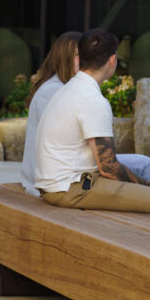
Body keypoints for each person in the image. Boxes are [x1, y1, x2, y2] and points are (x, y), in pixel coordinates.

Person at [22, 31, 150, 196]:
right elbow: (107, 166)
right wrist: (142, 185)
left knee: (141, 163)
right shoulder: (72, 93)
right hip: (65, 181)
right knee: (142, 170)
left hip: (64, 175)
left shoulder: (67, 89)